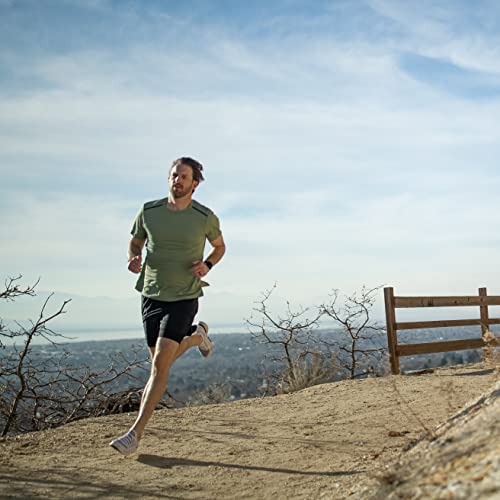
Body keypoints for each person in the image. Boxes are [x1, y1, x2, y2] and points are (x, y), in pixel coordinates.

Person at [110, 157, 226, 455]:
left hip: (185, 295)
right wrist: (132, 258)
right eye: (174, 175)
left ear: (194, 183)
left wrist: (208, 265)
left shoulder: (204, 216)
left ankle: (135, 434)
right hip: (151, 293)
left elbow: (220, 246)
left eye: (184, 177)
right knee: (160, 363)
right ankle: (198, 337)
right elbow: (135, 242)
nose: (178, 180)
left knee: (161, 363)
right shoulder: (149, 211)